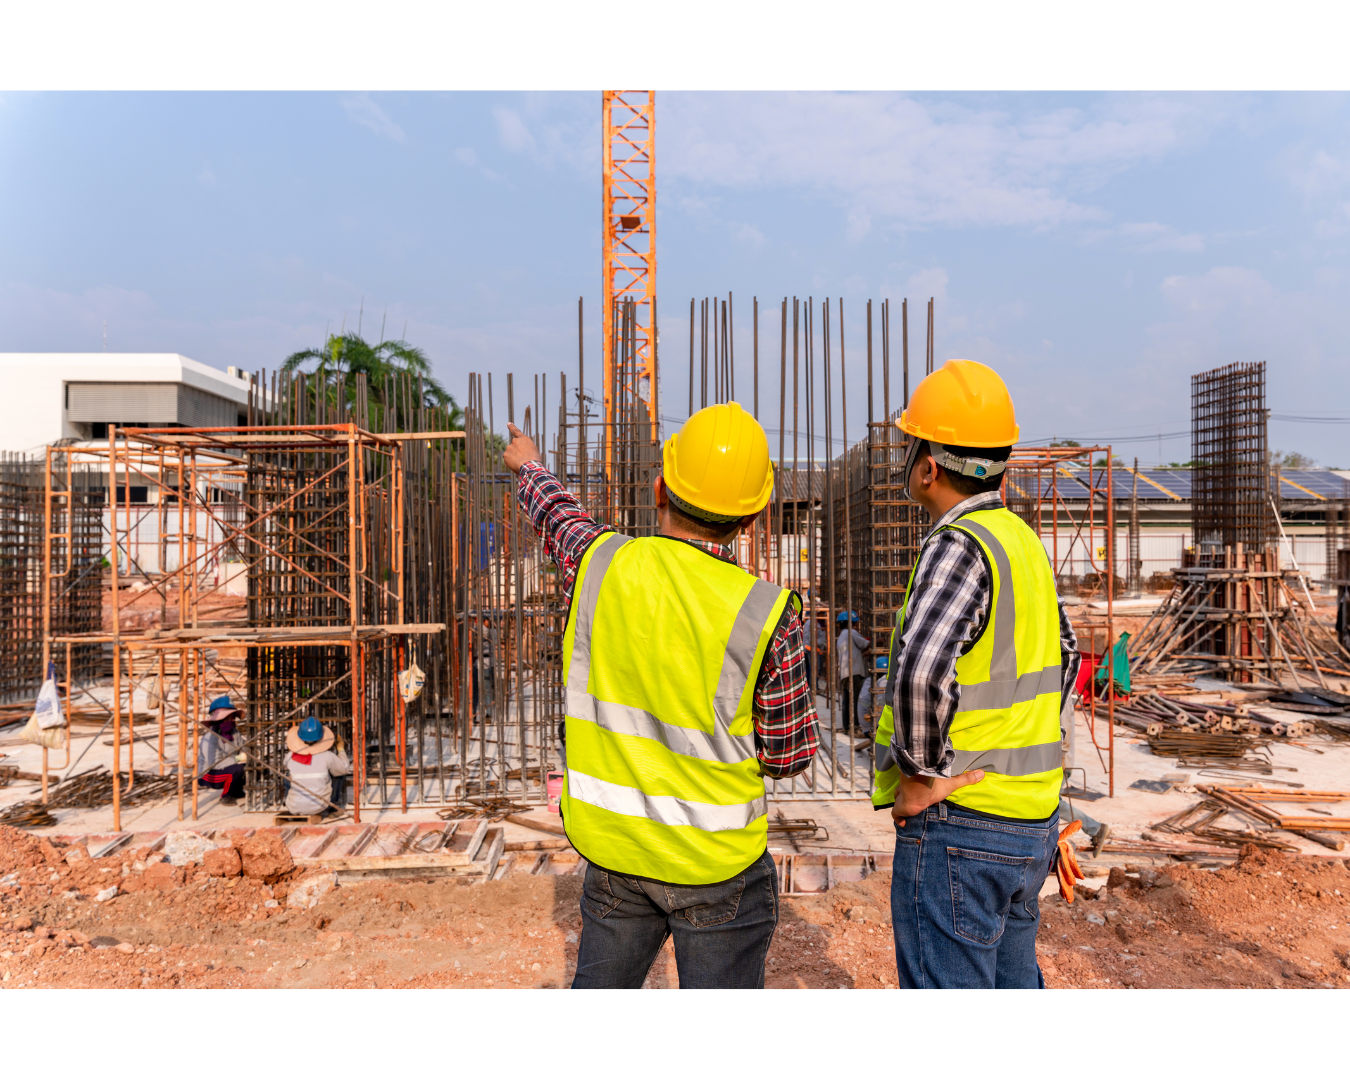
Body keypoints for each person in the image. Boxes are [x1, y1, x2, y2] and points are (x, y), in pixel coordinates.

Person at [503, 401, 819, 989]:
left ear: (659, 490)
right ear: (753, 517)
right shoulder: (767, 613)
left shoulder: (602, 564)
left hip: (618, 854)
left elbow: (559, 518)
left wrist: (530, 465)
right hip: (716, 866)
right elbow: (790, 756)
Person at [870, 359, 1081, 989]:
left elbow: (921, 672)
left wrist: (920, 777)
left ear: (928, 466)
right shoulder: (1020, 541)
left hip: (962, 820)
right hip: (1029, 822)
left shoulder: (958, 543)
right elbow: (1065, 657)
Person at [284, 717, 351, 817]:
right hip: (320, 806)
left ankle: (292, 801)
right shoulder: (328, 756)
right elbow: (344, 768)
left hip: (293, 807)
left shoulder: (290, 756)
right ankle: (332, 807)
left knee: (288, 774)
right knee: (338, 773)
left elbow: (285, 765)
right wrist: (340, 749)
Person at [198, 695, 246, 805]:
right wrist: (239, 758)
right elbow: (215, 763)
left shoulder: (235, 733)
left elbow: (243, 748)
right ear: (220, 719)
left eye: (233, 718)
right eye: (228, 718)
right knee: (238, 769)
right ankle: (226, 795)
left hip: (228, 767)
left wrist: (247, 755)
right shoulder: (210, 737)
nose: (232, 721)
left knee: (252, 767)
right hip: (209, 773)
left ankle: (236, 790)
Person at [835, 611, 870, 737]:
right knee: (855, 700)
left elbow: (853, 652)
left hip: (844, 673)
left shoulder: (841, 637)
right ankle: (855, 728)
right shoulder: (851, 633)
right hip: (854, 673)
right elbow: (865, 644)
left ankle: (846, 727)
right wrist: (877, 640)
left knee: (846, 701)